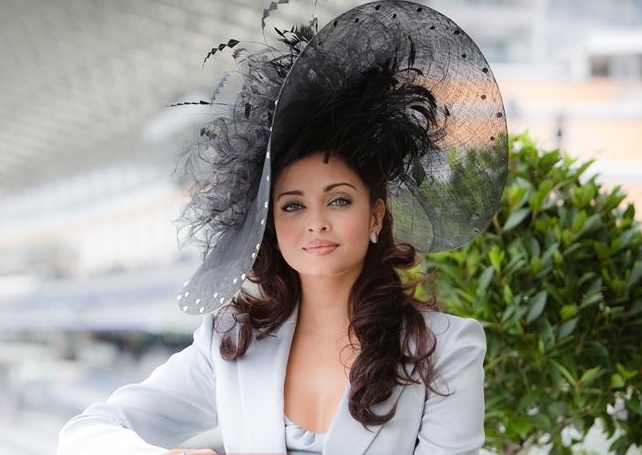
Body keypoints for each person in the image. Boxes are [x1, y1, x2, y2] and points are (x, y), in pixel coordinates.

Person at [56, 1, 508, 454]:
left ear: (375, 214)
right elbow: (85, 433)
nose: (316, 223)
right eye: (292, 206)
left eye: (339, 200)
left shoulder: (444, 348)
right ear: (269, 224)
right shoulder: (231, 340)